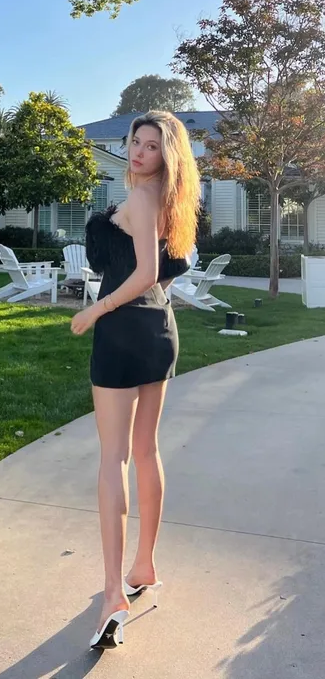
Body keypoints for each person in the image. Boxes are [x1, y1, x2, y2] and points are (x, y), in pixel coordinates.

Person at [71, 111, 201, 650]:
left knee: (114, 459)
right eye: (135, 142)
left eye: (151, 146)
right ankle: (144, 564)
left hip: (124, 331)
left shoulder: (145, 198)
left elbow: (145, 272)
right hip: (159, 328)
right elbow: (167, 271)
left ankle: (112, 594)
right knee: (145, 451)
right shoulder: (172, 202)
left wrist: (94, 310)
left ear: (167, 156)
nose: (139, 152)